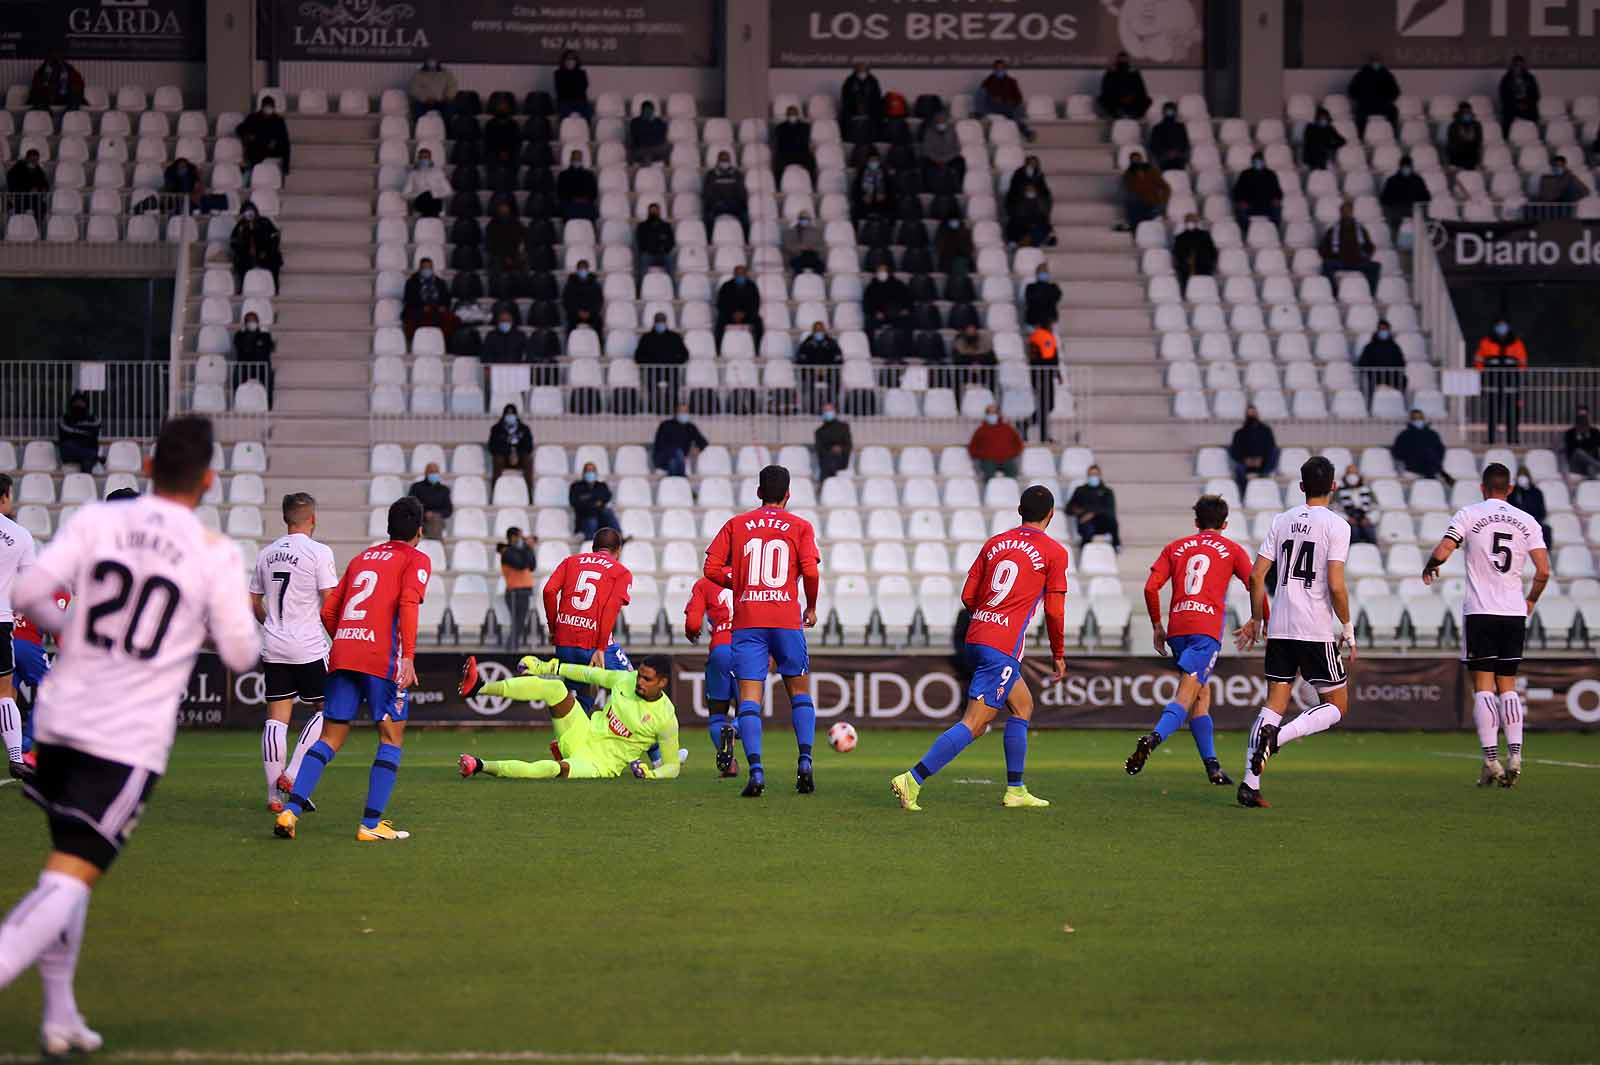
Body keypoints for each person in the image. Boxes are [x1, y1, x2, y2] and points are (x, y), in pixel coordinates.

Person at [0, 417, 258, 1059]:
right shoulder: (212, 551)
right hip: (121, 738)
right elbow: (240, 651)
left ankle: (60, 1017)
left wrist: (75, 625)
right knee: (70, 876)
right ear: (208, 480)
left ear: (147, 467)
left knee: (67, 866)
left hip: (58, 722)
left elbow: (28, 591)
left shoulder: (97, 523)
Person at [891, 484, 1066, 812]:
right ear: (1051, 515)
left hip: (976, 635)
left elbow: (968, 596)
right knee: (975, 723)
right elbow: (1055, 612)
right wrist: (1058, 654)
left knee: (1023, 706)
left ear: (1019, 512)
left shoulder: (995, 543)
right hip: (1001, 646)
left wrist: (988, 619)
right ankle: (912, 779)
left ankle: (1016, 789)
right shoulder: (1054, 552)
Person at [273, 495, 431, 841]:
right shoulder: (416, 559)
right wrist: (408, 657)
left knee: (330, 737)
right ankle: (371, 825)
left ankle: (290, 812)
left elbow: (329, 612)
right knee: (391, 737)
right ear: (419, 530)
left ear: (389, 528)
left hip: (344, 654)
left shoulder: (361, 559)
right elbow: (407, 602)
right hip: (381, 658)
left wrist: (347, 641)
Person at [1231, 456, 1356, 808]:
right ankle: (1278, 738)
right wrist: (1347, 628)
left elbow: (1256, 577)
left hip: (1281, 627)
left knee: (1274, 703)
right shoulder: (1337, 525)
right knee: (1336, 705)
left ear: (1301, 487)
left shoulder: (1281, 520)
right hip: (1314, 628)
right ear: (1333, 486)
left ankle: (1249, 785)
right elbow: (1336, 584)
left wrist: (1257, 618)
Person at [1423, 462, 1550, 788]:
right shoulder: (1527, 521)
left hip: (1481, 611)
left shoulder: (1470, 514)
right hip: (1513, 612)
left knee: (1483, 686)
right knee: (1507, 685)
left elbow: (1444, 549)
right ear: (1509, 490)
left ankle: (1492, 759)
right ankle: (1517, 755)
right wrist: (1531, 600)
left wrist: (1431, 565)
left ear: (1482, 487)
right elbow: (1543, 571)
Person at [703, 465, 823, 797]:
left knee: (750, 701)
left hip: (749, 621)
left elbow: (710, 568)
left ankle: (756, 773)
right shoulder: (800, 526)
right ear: (788, 494)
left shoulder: (737, 524)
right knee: (799, 693)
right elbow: (811, 572)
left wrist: (738, 583)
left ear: (758, 493)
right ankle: (805, 763)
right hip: (785, 617)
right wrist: (810, 606)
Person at [1126, 494, 1252, 786]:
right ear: (1225, 523)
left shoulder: (1176, 547)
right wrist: (1260, 618)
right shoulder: (1232, 550)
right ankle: (1153, 739)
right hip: (1205, 631)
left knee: (1200, 695)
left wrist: (1157, 625)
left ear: (1196, 522)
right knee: (1186, 695)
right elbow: (1254, 582)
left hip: (1179, 628)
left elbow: (1150, 588)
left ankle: (1213, 767)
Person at [249, 492, 337, 813]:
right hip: (309, 645)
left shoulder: (266, 553)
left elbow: (253, 603)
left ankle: (274, 797)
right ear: (312, 519)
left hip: (274, 644)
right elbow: (329, 600)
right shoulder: (319, 552)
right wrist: (338, 637)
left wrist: (272, 624)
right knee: (329, 709)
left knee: (277, 718)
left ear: (286, 519)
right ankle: (294, 775)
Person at [456, 654, 678, 782]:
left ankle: (480, 765)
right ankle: (478, 688)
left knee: (554, 769)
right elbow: (588, 674)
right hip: (582, 732)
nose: (639, 682)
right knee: (554, 688)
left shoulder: (666, 718)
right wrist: (549, 666)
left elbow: (672, 767)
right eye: (640, 675)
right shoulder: (626, 679)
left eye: (647, 679)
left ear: (663, 682)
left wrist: (652, 774)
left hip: (598, 764)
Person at [541, 527, 634, 713]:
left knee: (584, 693)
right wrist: (600, 647)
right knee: (633, 684)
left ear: (593, 547)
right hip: (594, 644)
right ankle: (652, 743)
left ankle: (566, 740)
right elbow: (610, 609)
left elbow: (548, 591)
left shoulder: (570, 562)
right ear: (619, 550)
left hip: (565, 643)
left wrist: (554, 629)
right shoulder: (621, 572)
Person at [0, 474, 38, 778]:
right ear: (3, 498)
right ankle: (16, 759)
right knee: (4, 691)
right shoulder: (20, 536)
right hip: (0, 620)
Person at [684, 575, 738, 778]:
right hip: (748, 648)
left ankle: (730, 764)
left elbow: (692, 623)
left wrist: (691, 633)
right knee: (749, 711)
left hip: (720, 650)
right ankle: (737, 730)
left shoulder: (705, 582)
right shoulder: (753, 575)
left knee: (717, 715)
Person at [1474, 317, 1527, 445]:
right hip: (1492, 383)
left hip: (1511, 383)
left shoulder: (1517, 343)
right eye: (1499, 325)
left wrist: (1518, 375)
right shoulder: (1486, 342)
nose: (1501, 328)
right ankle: (1491, 439)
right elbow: (1478, 361)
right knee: (1492, 412)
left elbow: (1523, 362)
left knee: (1513, 413)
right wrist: (1482, 374)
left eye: (1504, 325)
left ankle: (1513, 439)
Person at [1318, 200, 1379, 293]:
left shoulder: (1360, 229)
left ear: (1352, 212)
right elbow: (1322, 249)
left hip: (1358, 261)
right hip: (1340, 261)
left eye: (1348, 211)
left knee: (1375, 267)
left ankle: (1370, 293)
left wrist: (1367, 253)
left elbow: (1369, 246)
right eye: (1344, 211)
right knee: (1326, 266)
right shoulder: (1333, 230)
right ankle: (1334, 293)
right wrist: (1331, 255)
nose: (1346, 214)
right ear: (1340, 213)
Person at [635, 312, 688, 411]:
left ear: (666, 322)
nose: (660, 323)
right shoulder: (646, 338)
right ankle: (654, 409)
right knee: (653, 391)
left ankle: (672, 409)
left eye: (662, 321)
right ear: (654, 322)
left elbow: (684, 354)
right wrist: (649, 364)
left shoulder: (674, 337)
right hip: (652, 372)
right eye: (658, 321)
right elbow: (638, 356)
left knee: (673, 389)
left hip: (670, 371)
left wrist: (675, 362)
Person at [497, 527, 536, 650]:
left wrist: (529, 548)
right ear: (512, 537)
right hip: (514, 592)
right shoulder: (507, 552)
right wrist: (526, 547)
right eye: (520, 536)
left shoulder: (521, 550)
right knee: (517, 623)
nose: (522, 539)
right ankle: (511, 647)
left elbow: (532, 565)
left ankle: (512, 647)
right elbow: (521, 564)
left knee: (519, 623)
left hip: (524, 591)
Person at [229, 205, 282, 294]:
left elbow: (275, 237)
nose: (249, 213)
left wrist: (266, 251)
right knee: (241, 261)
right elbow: (233, 241)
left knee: (274, 259)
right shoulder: (240, 225)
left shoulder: (265, 221)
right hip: (247, 255)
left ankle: (275, 287)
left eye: (251, 210)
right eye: (246, 211)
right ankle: (242, 288)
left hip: (266, 252)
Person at [977, 58, 1034, 141]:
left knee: (1013, 111)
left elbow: (1019, 97)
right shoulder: (988, 81)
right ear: (994, 69)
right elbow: (983, 97)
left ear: (1005, 69)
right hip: (993, 107)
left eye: (1001, 68)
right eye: (997, 68)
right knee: (1011, 112)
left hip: (1008, 106)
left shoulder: (1011, 81)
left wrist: (1013, 103)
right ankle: (1026, 132)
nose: (999, 70)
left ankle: (1026, 132)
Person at [1228, 405, 1279, 495]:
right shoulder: (1239, 433)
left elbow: (1270, 448)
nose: (1252, 415)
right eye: (1249, 413)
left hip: (1263, 464)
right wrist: (1246, 460)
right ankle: (1245, 494)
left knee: (1275, 452)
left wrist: (1261, 460)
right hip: (1245, 466)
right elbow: (1235, 451)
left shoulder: (1266, 431)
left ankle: (1262, 479)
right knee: (1238, 467)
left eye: (1253, 412)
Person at [1067, 465, 1120, 550]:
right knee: (1088, 529)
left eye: (1095, 474)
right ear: (1087, 476)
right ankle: (1085, 550)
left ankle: (1116, 545)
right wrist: (1079, 512)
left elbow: (1110, 509)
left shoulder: (1107, 491)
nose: (1093, 477)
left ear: (1100, 475)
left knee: (1113, 521)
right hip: (1085, 522)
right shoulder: (1080, 490)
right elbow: (1069, 508)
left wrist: (1093, 514)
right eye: (1091, 475)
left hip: (1102, 523)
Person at [401, 257, 455, 340]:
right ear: (420, 269)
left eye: (429, 268)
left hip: (436, 310)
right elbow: (408, 299)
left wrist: (443, 306)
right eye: (424, 268)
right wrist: (421, 307)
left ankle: (445, 342)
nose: (427, 270)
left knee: (451, 319)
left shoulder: (440, 282)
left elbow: (446, 298)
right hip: (418, 310)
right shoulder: (411, 282)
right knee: (413, 317)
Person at [1348, 54, 1400, 136]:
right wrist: (1361, 99)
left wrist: (1388, 100)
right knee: (1360, 113)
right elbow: (1352, 91)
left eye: (1378, 62)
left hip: (1383, 104)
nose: (1376, 64)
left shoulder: (1387, 75)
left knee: (1393, 111)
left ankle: (1394, 135)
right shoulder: (1361, 75)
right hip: (1366, 104)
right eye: (1374, 62)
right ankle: (1360, 137)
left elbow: (1396, 91)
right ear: (1369, 63)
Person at [1391, 409, 1449, 482]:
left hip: (1431, 470)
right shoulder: (1404, 435)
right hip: (1412, 470)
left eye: (1420, 418)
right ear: (1411, 420)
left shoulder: (1432, 434)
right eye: (1415, 418)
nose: (1418, 420)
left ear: (1423, 419)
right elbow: (1397, 452)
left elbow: (1440, 450)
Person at [1118, 151, 1170, 232]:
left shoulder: (1151, 171)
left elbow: (1166, 188)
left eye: (1138, 159)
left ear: (1141, 160)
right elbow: (1128, 189)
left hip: (1153, 203)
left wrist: (1163, 202)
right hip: (1137, 205)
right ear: (1131, 162)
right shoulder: (1128, 175)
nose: (1136, 162)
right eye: (1134, 160)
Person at [232, 310, 276, 405]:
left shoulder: (265, 335)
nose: (251, 322)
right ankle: (237, 402)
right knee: (236, 375)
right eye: (249, 320)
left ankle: (268, 403)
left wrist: (252, 347)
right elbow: (241, 348)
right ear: (245, 323)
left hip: (261, 367)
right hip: (244, 366)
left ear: (257, 322)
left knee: (269, 376)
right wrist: (256, 346)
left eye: (253, 320)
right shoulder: (239, 335)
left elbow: (269, 348)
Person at [1379, 155, 1431, 236]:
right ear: (1400, 167)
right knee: (1394, 219)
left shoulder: (1418, 180)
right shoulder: (1392, 181)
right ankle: (1396, 241)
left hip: (1414, 210)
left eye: (1408, 167)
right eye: (1404, 167)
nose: (1406, 169)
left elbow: (1426, 197)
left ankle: (1422, 239)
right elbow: (1384, 199)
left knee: (1423, 217)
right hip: (1397, 211)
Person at [969, 404, 1023, 481]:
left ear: (998, 414)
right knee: (988, 476)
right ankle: (990, 492)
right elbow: (972, 448)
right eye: (989, 413)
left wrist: (1011, 453)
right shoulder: (980, 430)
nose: (991, 415)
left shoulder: (1008, 429)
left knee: (1013, 473)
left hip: (1006, 459)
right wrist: (983, 455)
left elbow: (1018, 444)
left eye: (994, 413)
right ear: (986, 414)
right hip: (988, 461)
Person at [1356, 319, 1405, 403]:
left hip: (1392, 379)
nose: (1383, 332)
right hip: (1375, 379)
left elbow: (1401, 363)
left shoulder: (1395, 347)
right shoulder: (1370, 347)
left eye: (1385, 330)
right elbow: (1362, 363)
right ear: (1378, 331)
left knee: (1403, 380)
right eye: (1381, 329)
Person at [237, 96, 290, 174]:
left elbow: (284, 138)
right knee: (253, 148)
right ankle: (248, 170)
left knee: (284, 144)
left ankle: (284, 168)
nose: (268, 109)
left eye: (271, 107)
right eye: (267, 106)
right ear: (262, 107)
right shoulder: (253, 118)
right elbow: (239, 129)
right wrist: (247, 135)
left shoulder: (278, 120)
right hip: (256, 147)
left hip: (272, 148)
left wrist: (276, 141)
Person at [488, 404, 534, 492]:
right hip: (503, 457)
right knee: (497, 459)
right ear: (504, 415)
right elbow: (492, 447)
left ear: (516, 415)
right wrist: (509, 452)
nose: (510, 416)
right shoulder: (496, 429)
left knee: (528, 460)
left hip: (519, 458)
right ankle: (495, 490)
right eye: (508, 414)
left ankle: (529, 491)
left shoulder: (524, 429)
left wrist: (516, 453)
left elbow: (529, 446)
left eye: (512, 414)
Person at [1027, 324, 1061, 442]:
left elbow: (1055, 358)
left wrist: (1058, 374)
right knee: (1044, 407)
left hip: (1048, 376)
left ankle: (1025, 424)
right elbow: (1034, 358)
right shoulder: (1038, 337)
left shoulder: (1049, 338)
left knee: (1049, 406)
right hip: (1040, 377)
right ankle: (1043, 437)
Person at [652, 403, 707, 476]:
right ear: (676, 413)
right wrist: (676, 453)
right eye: (681, 411)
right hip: (663, 458)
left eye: (686, 412)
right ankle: (681, 476)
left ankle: (677, 479)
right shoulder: (665, 425)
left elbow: (703, 441)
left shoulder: (690, 427)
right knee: (677, 453)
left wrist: (698, 448)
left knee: (675, 461)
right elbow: (660, 445)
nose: (684, 414)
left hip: (680, 460)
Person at [1232, 152, 1283, 230]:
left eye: (1260, 161)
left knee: (1277, 208)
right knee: (1241, 209)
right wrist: (1241, 201)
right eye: (1256, 161)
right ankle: (1247, 232)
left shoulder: (1271, 174)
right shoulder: (1245, 174)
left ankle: (1274, 231)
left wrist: (1277, 199)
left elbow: (1278, 192)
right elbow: (1237, 191)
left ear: (1264, 161)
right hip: (1250, 205)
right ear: (1252, 162)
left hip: (1266, 205)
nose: (1258, 163)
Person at [1529, 155, 1589, 220]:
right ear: (1552, 167)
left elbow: (1585, 191)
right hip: (1547, 206)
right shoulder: (1545, 178)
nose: (1558, 168)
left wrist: (1573, 198)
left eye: (1561, 166)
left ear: (1564, 166)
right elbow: (1541, 194)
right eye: (1556, 166)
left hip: (1563, 206)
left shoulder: (1570, 177)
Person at [703, 151, 749, 236]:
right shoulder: (711, 175)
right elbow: (707, 193)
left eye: (726, 160)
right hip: (717, 206)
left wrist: (737, 203)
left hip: (734, 206)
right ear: (718, 161)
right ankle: (709, 241)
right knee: (708, 217)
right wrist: (716, 203)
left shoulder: (737, 174)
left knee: (745, 217)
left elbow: (742, 193)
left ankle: (746, 240)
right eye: (722, 160)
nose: (724, 163)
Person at [569, 462, 618, 540]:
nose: (590, 473)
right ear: (584, 473)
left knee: (608, 512)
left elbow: (607, 496)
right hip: (584, 518)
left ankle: (619, 537)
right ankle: (591, 543)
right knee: (591, 520)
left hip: (601, 518)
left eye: (592, 470)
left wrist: (587, 499)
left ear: (596, 472)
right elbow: (574, 502)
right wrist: (595, 502)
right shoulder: (576, 487)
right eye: (588, 470)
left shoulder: (601, 485)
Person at [715, 264, 762, 346]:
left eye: (742, 274)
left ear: (745, 274)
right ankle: (718, 348)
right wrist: (732, 314)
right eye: (738, 274)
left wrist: (744, 314)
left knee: (758, 322)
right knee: (720, 322)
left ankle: (757, 348)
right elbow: (720, 304)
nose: (740, 276)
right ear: (734, 274)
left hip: (747, 316)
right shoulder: (726, 286)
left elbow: (755, 304)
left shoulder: (752, 286)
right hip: (729, 315)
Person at [796, 322, 841, 405]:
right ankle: (812, 406)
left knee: (835, 380)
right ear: (813, 331)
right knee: (808, 383)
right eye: (817, 330)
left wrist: (827, 369)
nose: (819, 331)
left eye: (821, 329)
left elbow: (838, 358)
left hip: (828, 372)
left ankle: (830, 406)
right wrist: (813, 369)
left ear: (824, 330)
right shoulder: (807, 343)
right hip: (811, 373)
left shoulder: (831, 343)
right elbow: (800, 358)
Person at [482, 95, 522, 188]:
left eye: (504, 105)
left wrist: (507, 152)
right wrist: (499, 152)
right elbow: (489, 142)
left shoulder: (514, 125)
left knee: (514, 158)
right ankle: (492, 186)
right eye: (500, 105)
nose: (502, 108)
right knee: (491, 158)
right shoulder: (490, 124)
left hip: (510, 154)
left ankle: (512, 185)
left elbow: (516, 142)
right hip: (494, 153)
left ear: (508, 108)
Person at [407, 462, 453, 540]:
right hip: (420, 519)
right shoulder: (416, 487)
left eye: (435, 472)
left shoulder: (444, 490)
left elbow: (448, 510)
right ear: (426, 473)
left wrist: (434, 514)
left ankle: (432, 543)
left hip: (436, 521)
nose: (434, 474)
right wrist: (424, 513)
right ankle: (435, 545)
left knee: (435, 520)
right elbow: (410, 505)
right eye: (431, 472)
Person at [1098, 51, 1151, 119]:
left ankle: (1134, 115)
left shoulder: (1134, 73)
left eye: (1124, 59)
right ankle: (1117, 115)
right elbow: (1106, 88)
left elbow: (1140, 89)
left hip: (1132, 99)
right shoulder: (1110, 73)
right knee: (1103, 100)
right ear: (1117, 60)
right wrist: (1119, 98)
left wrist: (1130, 97)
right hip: (1115, 99)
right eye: (1121, 59)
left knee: (1146, 100)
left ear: (1128, 60)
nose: (1123, 61)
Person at [1509, 467, 1552, 549]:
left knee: (1546, 529)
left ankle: (1544, 554)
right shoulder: (1512, 493)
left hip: (1533, 522)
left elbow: (1542, 512)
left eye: (1524, 475)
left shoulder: (1536, 492)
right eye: (1520, 476)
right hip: (1515, 523)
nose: (1522, 478)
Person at [1498, 55, 1540, 139]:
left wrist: (1526, 103)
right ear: (1512, 66)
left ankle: (1533, 137)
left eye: (1521, 65)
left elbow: (1536, 95)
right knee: (1507, 118)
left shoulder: (1530, 78)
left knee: (1533, 115)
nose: (1518, 68)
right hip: (1511, 107)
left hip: (1527, 107)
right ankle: (1506, 140)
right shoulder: (1506, 79)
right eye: (1516, 65)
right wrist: (1516, 104)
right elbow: (1503, 96)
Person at [55, 392, 100, 472]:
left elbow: (95, 429)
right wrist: (85, 433)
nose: (79, 404)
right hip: (69, 453)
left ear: (86, 404)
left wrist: (76, 431)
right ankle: (95, 458)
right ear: (72, 404)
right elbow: (65, 431)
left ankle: (85, 479)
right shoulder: (65, 419)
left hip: (88, 449)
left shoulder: (93, 418)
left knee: (88, 455)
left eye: (81, 402)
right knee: (70, 446)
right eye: (76, 402)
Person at [1172, 213, 1217, 290]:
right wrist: (1185, 261)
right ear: (1185, 222)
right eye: (1189, 221)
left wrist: (1206, 263)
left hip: (1203, 268)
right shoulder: (1180, 238)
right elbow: (1177, 254)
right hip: (1185, 270)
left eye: (1193, 221)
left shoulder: (1205, 235)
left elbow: (1212, 252)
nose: (1191, 223)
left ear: (1196, 222)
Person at [1336, 465, 1378, 546]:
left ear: (1359, 475)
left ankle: (1373, 552)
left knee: (1369, 530)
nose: (1352, 476)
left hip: (1365, 518)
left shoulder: (1368, 490)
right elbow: (1334, 510)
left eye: (1355, 473)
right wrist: (1347, 519)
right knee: (1353, 531)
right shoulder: (1338, 492)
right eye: (1349, 473)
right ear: (1345, 475)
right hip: (1348, 520)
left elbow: (1376, 508)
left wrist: (1369, 518)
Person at [402, 147, 450, 218]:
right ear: (418, 159)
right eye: (421, 157)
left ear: (430, 159)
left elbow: (448, 191)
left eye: (426, 157)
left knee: (430, 197)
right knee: (425, 197)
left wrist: (435, 193)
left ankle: (429, 218)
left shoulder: (438, 172)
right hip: (420, 202)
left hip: (435, 201)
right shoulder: (413, 174)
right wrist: (418, 194)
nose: (423, 159)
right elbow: (404, 194)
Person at [6, 149, 50, 224]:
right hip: (19, 198)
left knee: (42, 207)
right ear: (27, 158)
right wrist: (28, 189)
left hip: (33, 198)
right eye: (32, 159)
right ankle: (19, 228)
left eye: (36, 160)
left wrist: (41, 189)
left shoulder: (38, 170)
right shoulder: (17, 168)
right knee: (18, 213)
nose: (34, 161)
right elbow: (12, 183)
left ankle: (36, 227)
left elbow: (45, 184)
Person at [919, 110, 964, 185]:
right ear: (935, 121)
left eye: (943, 121)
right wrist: (937, 160)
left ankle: (958, 186)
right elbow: (927, 149)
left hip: (949, 159)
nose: (941, 123)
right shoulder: (929, 132)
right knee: (923, 162)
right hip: (934, 160)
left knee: (960, 162)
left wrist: (945, 160)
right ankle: (926, 188)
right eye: (939, 121)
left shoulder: (952, 131)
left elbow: (957, 149)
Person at [839, 63, 883, 137]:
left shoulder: (873, 80)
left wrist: (868, 107)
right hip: (853, 111)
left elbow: (877, 98)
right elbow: (845, 98)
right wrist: (856, 106)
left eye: (864, 71)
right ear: (855, 71)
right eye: (860, 71)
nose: (862, 73)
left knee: (877, 116)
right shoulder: (849, 81)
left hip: (870, 110)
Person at [484, 200, 527, 275]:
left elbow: (523, 237)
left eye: (505, 207)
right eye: (502, 207)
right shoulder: (492, 226)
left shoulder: (516, 223)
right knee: (496, 264)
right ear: (498, 209)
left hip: (514, 254)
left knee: (523, 261)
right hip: (498, 256)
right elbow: (490, 246)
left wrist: (520, 250)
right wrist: (504, 257)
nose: (504, 209)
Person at [864, 265, 911, 332]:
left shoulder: (898, 285)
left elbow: (907, 298)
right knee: (870, 322)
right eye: (879, 272)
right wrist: (874, 312)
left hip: (897, 313)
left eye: (883, 271)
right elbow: (867, 303)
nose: (881, 274)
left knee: (907, 321)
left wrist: (905, 309)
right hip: (879, 314)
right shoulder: (871, 287)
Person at [772, 105, 815, 179]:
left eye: (794, 114)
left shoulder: (805, 127)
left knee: (811, 161)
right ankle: (778, 185)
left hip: (801, 153)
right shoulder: (780, 128)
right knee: (778, 161)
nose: (792, 116)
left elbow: (805, 143)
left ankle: (812, 182)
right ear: (787, 115)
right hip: (786, 154)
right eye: (790, 114)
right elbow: (779, 144)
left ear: (797, 115)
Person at [561, 258, 603, 333]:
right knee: (570, 325)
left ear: (588, 270)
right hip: (574, 314)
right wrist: (577, 312)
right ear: (577, 270)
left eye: (584, 269)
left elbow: (599, 301)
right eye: (581, 269)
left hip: (591, 314)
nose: (582, 271)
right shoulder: (570, 285)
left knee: (598, 324)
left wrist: (590, 312)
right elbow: (566, 301)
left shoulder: (595, 285)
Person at [951, 323, 997, 392]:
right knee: (956, 375)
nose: (971, 332)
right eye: (969, 330)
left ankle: (992, 400)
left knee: (991, 374)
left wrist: (978, 364)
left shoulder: (985, 342)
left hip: (983, 372)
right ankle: (958, 401)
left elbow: (992, 360)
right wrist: (970, 364)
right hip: (965, 372)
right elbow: (957, 360)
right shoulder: (959, 342)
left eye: (973, 330)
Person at [851, 150, 893, 222]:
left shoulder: (884, 173)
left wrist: (885, 196)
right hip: (864, 205)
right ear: (867, 161)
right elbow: (855, 191)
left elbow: (891, 190)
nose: (874, 163)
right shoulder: (861, 173)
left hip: (882, 204)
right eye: (872, 160)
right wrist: (862, 197)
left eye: (876, 160)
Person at [556, 150, 599, 221]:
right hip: (569, 205)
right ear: (571, 159)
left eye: (578, 159)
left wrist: (583, 199)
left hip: (585, 204)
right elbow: (560, 193)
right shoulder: (563, 175)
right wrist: (573, 199)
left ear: (581, 160)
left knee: (590, 211)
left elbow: (594, 193)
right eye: (575, 159)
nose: (576, 161)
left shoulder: (589, 175)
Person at [814, 403, 852, 481]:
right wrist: (830, 450)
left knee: (830, 463)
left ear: (835, 411)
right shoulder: (819, 431)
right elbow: (819, 449)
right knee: (828, 462)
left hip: (841, 458)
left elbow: (848, 445)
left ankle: (824, 485)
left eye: (829, 410)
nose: (828, 412)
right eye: (825, 410)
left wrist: (840, 449)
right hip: (826, 459)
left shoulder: (843, 427)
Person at [1148, 101, 1190, 171]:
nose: (1170, 112)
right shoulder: (1157, 128)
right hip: (1163, 159)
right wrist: (1167, 154)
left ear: (1175, 111)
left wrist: (1176, 153)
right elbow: (1153, 146)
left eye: (1172, 110)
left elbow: (1185, 143)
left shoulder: (1181, 127)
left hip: (1178, 159)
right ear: (1163, 112)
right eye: (1168, 110)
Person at [635, 201, 674, 273]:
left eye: (655, 210)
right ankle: (641, 283)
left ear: (659, 212)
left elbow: (671, 241)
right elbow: (639, 241)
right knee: (643, 260)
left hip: (663, 254)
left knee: (670, 260)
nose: (654, 212)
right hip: (648, 254)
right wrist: (647, 249)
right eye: (652, 211)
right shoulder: (642, 226)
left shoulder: (666, 225)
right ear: (649, 212)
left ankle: (673, 283)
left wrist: (665, 249)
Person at [553, 49, 592, 121]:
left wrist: (570, 86)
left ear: (576, 61)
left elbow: (582, 89)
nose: (570, 62)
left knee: (587, 113)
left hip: (580, 102)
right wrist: (574, 86)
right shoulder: (558, 73)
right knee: (565, 115)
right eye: (567, 60)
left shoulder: (582, 73)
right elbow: (561, 90)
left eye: (572, 60)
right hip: (564, 102)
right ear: (563, 61)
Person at [628, 99, 668, 165]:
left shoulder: (658, 121)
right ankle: (645, 166)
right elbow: (638, 138)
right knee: (646, 155)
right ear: (642, 111)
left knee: (667, 146)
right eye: (647, 110)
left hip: (655, 148)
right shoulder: (635, 122)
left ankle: (653, 162)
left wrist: (652, 123)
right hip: (640, 149)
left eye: (651, 110)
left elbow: (662, 134)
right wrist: (649, 127)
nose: (649, 112)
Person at [1445, 102, 1483, 172]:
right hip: (1457, 157)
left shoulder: (1477, 125)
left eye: (1469, 112)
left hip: (1472, 157)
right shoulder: (1453, 126)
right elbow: (1452, 144)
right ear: (1460, 113)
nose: (1467, 114)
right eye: (1465, 112)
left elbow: (1478, 142)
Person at [1564, 405, 1600, 477]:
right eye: (1580, 417)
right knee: (1579, 452)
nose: (1583, 420)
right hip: (1576, 465)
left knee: (1590, 469)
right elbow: (1571, 451)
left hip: (1591, 464)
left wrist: (1587, 435)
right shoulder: (1570, 433)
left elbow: (1595, 446)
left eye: (1584, 417)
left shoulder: (1595, 432)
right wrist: (1578, 436)